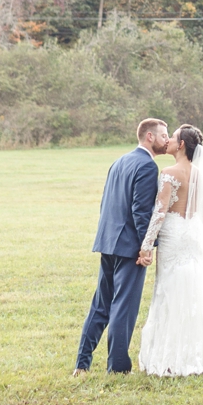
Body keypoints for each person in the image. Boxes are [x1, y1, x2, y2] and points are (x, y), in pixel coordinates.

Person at [73, 118, 174, 375]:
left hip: (107, 242)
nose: (167, 139)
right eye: (163, 135)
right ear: (149, 137)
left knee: (101, 304)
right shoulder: (147, 167)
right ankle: (117, 367)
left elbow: (106, 203)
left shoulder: (119, 161)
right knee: (123, 308)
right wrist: (146, 246)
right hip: (129, 247)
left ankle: (81, 364)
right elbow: (141, 212)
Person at [137, 124, 203, 376]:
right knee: (193, 289)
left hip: (173, 236)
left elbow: (159, 212)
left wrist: (146, 247)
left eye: (173, 138)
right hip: (194, 235)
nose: (168, 140)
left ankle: (171, 357)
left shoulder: (169, 172)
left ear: (181, 145)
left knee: (169, 289)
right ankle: (198, 353)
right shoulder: (200, 174)